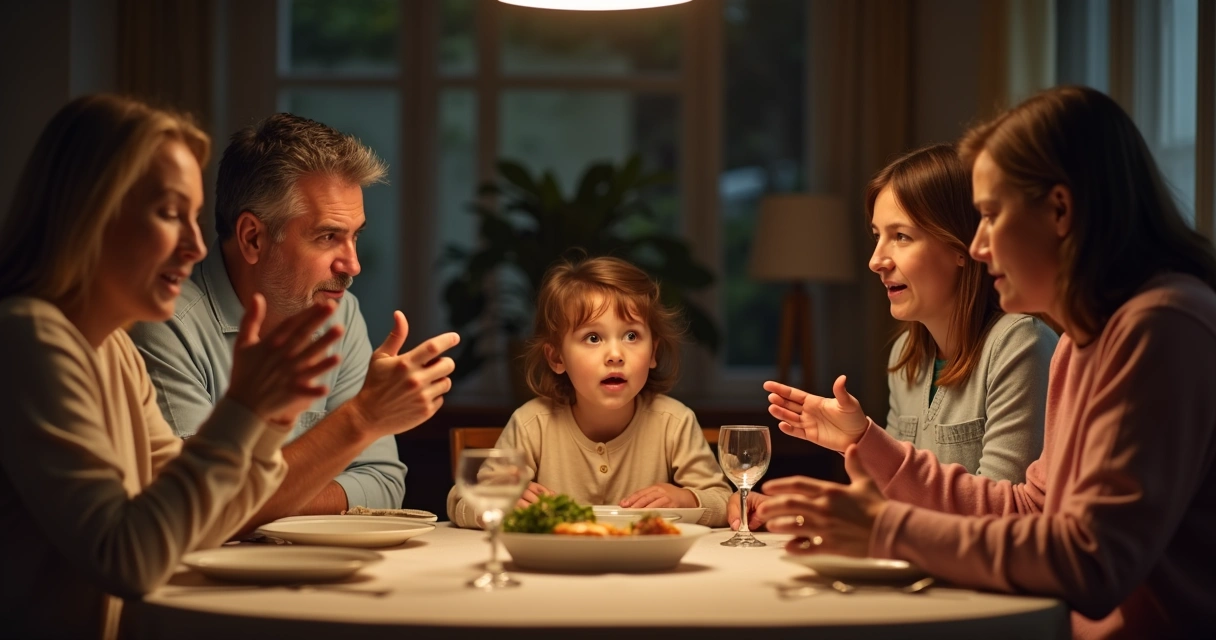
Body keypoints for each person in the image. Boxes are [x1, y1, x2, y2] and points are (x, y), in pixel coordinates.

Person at [756, 86, 1216, 638]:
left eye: (991, 216)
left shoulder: (1162, 323)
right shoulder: (1081, 340)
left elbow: (1092, 562)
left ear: (1060, 211)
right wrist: (869, 446)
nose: (977, 246)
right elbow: (1029, 508)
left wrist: (885, 527)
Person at [0, 94, 343, 639]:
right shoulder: (29, 337)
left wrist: (267, 422)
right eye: (167, 214)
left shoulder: (112, 348)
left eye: (192, 216)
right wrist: (242, 409)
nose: (195, 246)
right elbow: (128, 558)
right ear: (89, 212)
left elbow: (196, 526)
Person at [130, 113, 460, 528]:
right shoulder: (164, 323)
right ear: (253, 237)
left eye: (355, 235)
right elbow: (197, 507)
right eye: (327, 237)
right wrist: (360, 420)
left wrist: (260, 501)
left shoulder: (338, 311)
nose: (353, 265)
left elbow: (383, 481)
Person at [730, 143, 1057, 530]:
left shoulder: (1020, 344)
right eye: (877, 236)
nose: (876, 260)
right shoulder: (906, 356)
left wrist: (867, 441)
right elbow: (890, 506)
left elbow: (1004, 520)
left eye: (901, 236)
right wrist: (796, 509)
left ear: (962, 247)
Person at [446, 256, 731, 527]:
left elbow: (724, 500)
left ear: (653, 352)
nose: (616, 354)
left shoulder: (674, 422)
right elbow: (460, 499)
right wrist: (498, 503)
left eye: (631, 336)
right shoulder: (532, 424)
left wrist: (687, 498)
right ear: (557, 358)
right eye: (593, 338)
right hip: (554, 571)